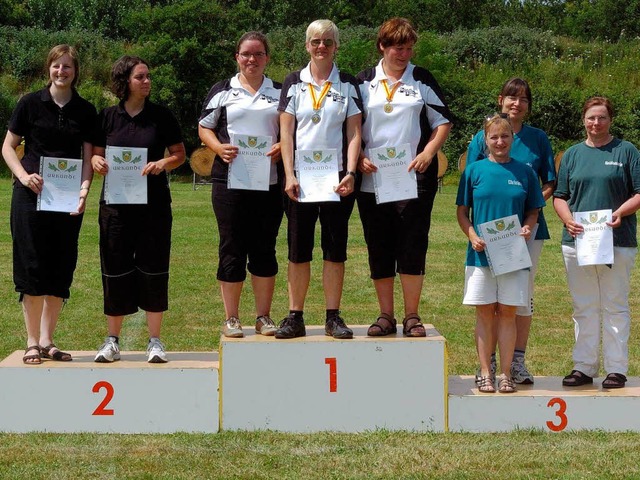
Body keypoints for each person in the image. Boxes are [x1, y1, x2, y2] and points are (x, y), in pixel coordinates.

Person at [356, 17, 452, 337]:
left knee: (412, 244)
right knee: (379, 246)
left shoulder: (421, 78)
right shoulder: (362, 82)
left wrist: (428, 153)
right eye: (398, 47)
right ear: (382, 46)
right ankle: (385, 315)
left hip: (415, 177)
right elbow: (349, 128)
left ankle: (412, 315)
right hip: (372, 179)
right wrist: (358, 157)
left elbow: (443, 123)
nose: (404, 54)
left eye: (409, 48)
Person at [2, 44, 96, 364]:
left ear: (75, 71)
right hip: (30, 197)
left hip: (67, 200)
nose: (61, 72)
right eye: (57, 66)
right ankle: (30, 341)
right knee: (32, 267)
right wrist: (24, 175)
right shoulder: (29, 103)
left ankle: (47, 340)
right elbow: (8, 147)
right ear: (49, 69)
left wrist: (84, 191)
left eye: (67, 67)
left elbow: (87, 158)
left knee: (60, 268)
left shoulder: (85, 110)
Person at [91, 55, 186, 363]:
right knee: (114, 269)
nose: (147, 82)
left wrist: (163, 163)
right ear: (125, 82)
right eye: (140, 77)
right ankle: (112, 340)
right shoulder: (107, 117)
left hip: (154, 207)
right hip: (115, 208)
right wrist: (96, 162)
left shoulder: (161, 116)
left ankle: (155, 341)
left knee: (154, 269)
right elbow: (95, 154)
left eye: (148, 77)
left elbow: (180, 154)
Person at [466, 78, 555, 384]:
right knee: (488, 300)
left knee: (519, 299)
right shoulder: (481, 136)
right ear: (501, 100)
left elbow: (548, 182)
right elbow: (476, 181)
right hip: (488, 233)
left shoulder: (538, 138)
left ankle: (515, 363)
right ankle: (488, 366)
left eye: (523, 99)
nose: (517, 104)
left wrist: (527, 209)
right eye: (511, 98)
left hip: (525, 233)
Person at [277, 19, 362, 339]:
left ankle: (333, 316)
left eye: (327, 41)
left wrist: (351, 172)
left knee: (334, 249)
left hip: (337, 180)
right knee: (298, 249)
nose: (321, 46)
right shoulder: (292, 82)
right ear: (307, 46)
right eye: (315, 41)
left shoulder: (348, 84)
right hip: (299, 180)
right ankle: (295, 316)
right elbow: (286, 132)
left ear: (336, 46)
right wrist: (288, 174)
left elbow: (355, 132)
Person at [198, 32, 283, 338]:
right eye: (246, 54)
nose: (252, 59)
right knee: (231, 247)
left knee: (264, 248)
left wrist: (283, 145)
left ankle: (263, 317)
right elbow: (204, 127)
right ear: (237, 57)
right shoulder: (222, 90)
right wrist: (218, 149)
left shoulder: (281, 91)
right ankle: (232, 318)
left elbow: (293, 128)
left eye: (258, 54)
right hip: (230, 182)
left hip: (270, 183)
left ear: (266, 58)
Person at [553, 96, 640, 389]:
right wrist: (568, 220)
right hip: (578, 241)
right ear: (583, 120)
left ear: (610, 120)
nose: (596, 123)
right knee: (584, 306)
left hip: (618, 241)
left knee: (615, 305)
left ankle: (616, 369)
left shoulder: (626, 151)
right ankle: (584, 367)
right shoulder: (573, 155)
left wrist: (620, 212)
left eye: (602, 117)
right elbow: (560, 196)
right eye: (591, 117)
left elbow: (639, 193)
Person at [457, 114, 544, 393]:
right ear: (486, 140)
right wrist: (471, 235)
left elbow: (533, 211)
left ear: (512, 139)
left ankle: (505, 374)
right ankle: (485, 371)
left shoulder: (526, 172)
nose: (499, 141)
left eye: (505, 136)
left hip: (512, 255)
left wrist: (528, 228)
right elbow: (462, 212)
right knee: (484, 313)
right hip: (481, 255)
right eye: (494, 137)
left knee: (507, 312)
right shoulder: (474, 171)